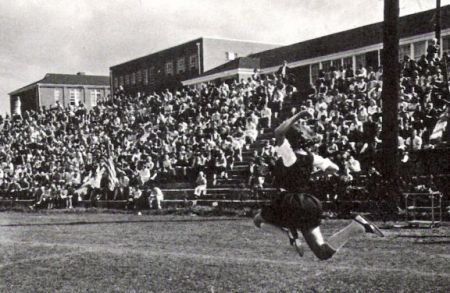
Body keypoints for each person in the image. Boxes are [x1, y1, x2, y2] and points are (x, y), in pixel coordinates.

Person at [253, 111, 384, 260]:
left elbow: (278, 131)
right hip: (308, 204)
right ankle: (356, 227)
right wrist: (312, 175)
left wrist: (299, 114)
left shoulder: (288, 154)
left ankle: (289, 237)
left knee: (258, 220)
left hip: (289, 202)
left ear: (290, 140)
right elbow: (334, 169)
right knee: (323, 252)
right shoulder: (312, 157)